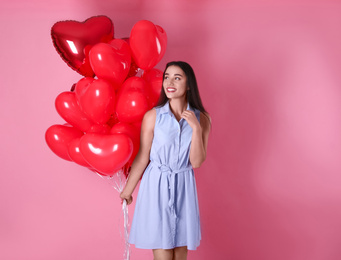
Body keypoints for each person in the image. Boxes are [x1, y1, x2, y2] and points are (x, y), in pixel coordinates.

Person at [120, 61, 211, 260]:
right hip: (157, 185)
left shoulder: (202, 119)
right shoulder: (153, 116)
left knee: (180, 253)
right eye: (167, 77)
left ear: (188, 85)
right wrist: (128, 190)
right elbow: (143, 156)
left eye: (177, 78)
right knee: (162, 250)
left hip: (184, 185)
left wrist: (195, 128)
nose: (169, 82)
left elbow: (196, 162)